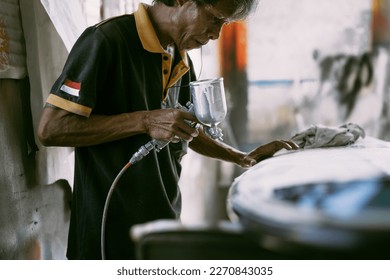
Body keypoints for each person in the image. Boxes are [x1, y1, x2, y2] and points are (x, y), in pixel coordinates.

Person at [37, 0, 298, 260]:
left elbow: (187, 129)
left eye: (224, 25)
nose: (216, 35)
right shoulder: (106, 40)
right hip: (107, 232)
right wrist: (144, 121)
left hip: (162, 225)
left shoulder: (180, 57)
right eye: (216, 19)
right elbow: (52, 128)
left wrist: (241, 157)